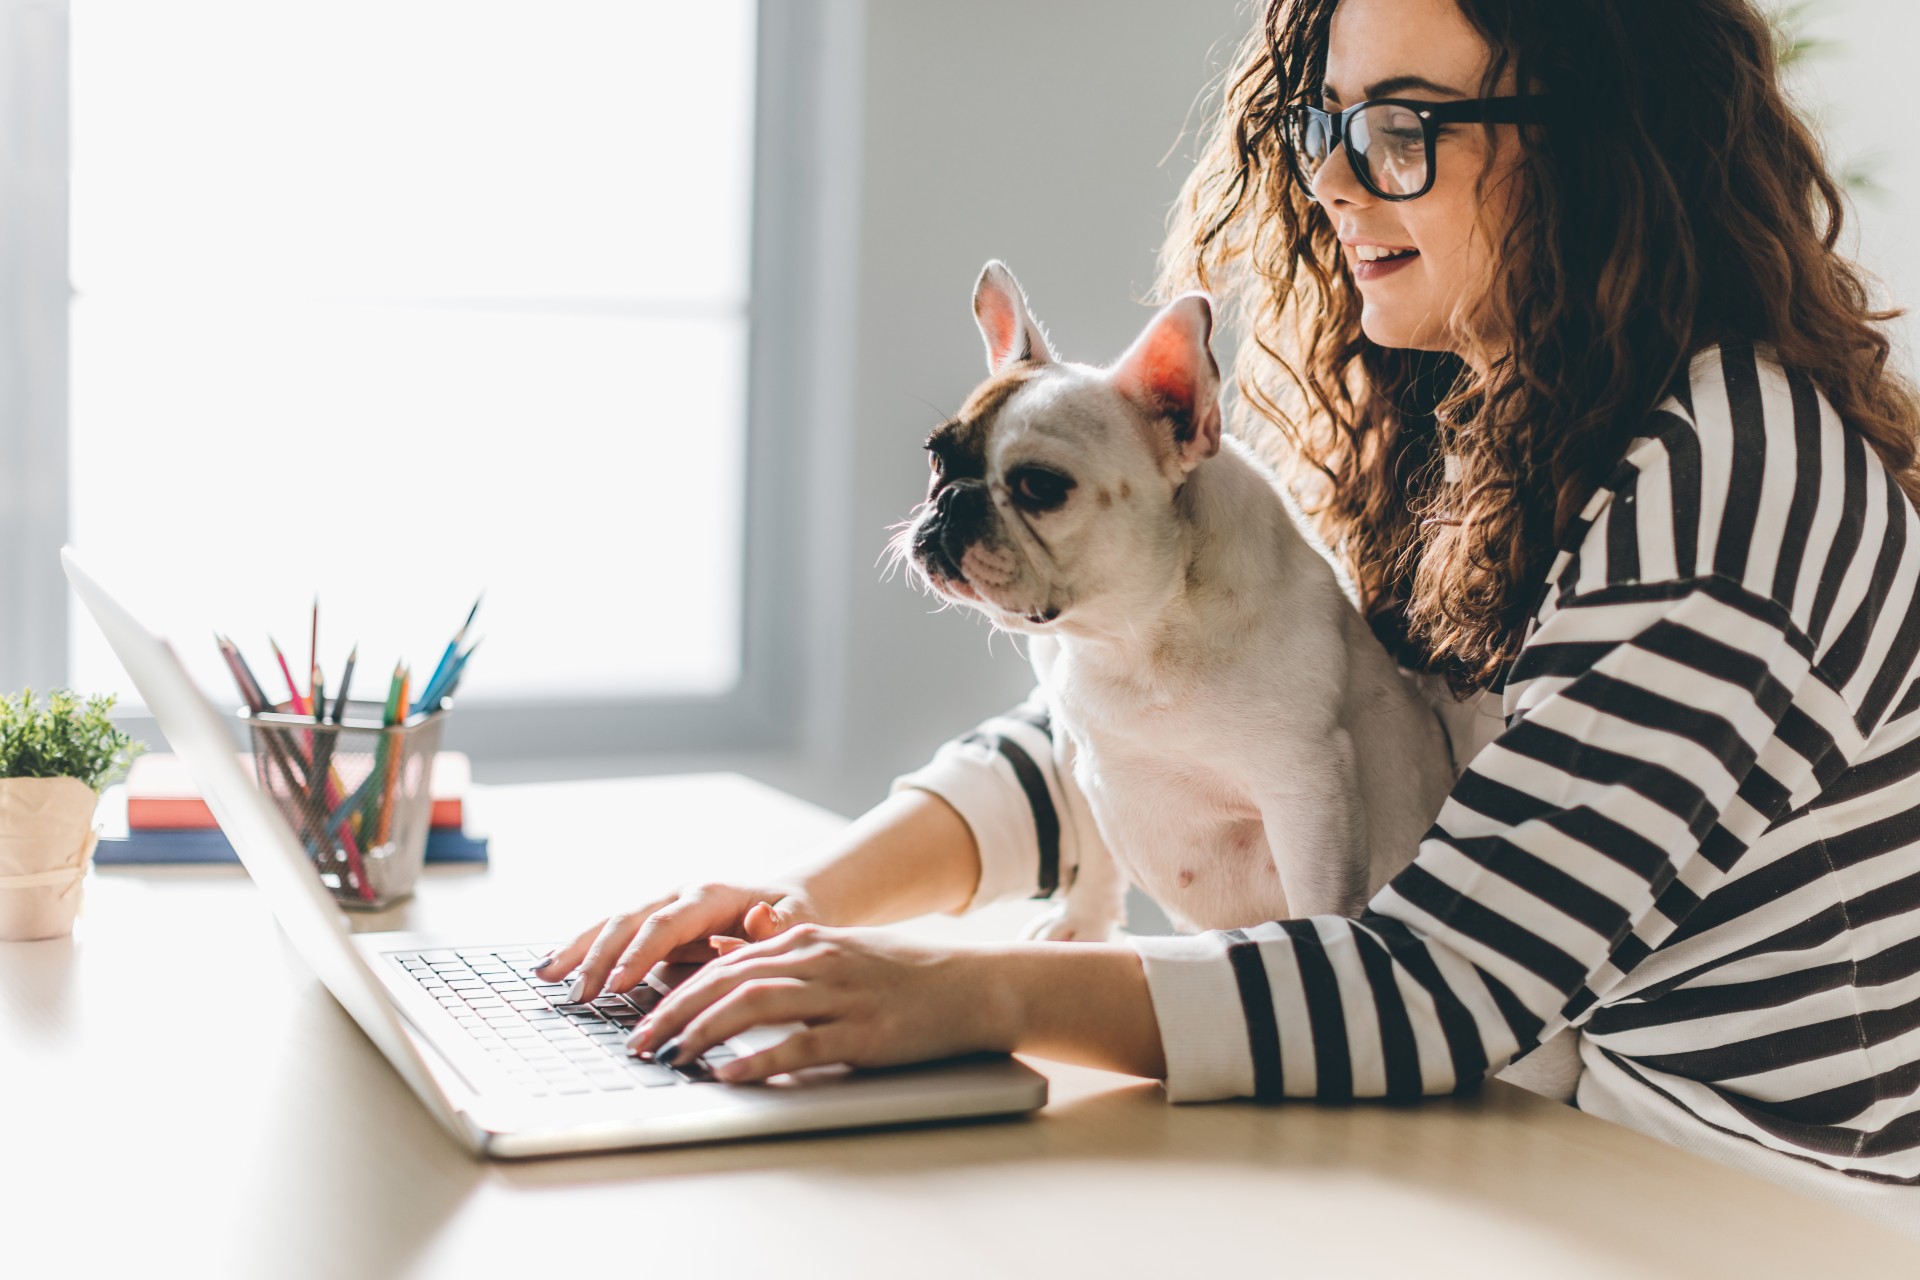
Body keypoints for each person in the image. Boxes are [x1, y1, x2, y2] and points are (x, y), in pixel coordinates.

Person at [535, 0, 1920, 1225]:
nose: (1329, 176)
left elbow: (1448, 984)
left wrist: (961, 992)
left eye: (1402, 127)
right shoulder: (1494, 417)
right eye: (1327, 118)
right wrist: (800, 911)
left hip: (1734, 1194)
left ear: (1597, 138)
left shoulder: (1722, 484)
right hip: (1539, 1127)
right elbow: (1148, 730)